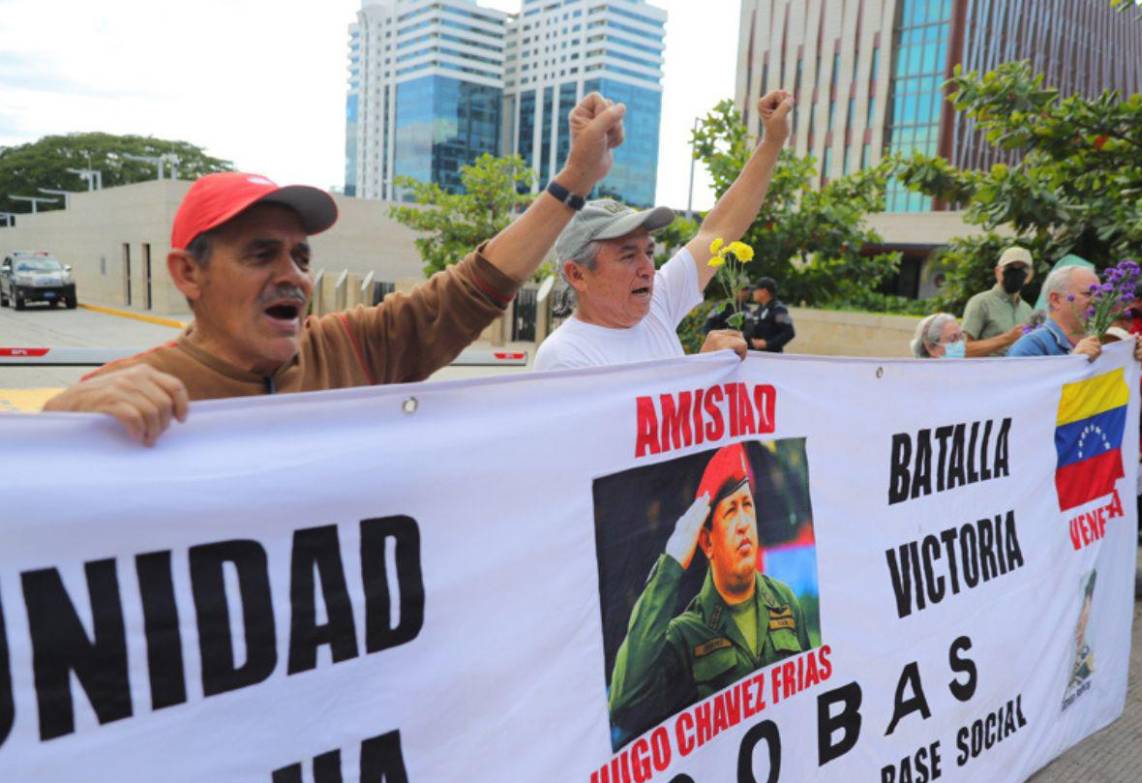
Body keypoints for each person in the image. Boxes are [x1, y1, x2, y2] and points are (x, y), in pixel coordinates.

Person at [42, 93, 629, 445]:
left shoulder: (352, 349)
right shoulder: (129, 393)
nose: (292, 275)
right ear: (187, 274)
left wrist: (575, 180)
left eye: (301, 256)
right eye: (260, 253)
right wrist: (62, 426)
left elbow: (472, 290)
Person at [531, 90, 795, 371]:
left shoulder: (658, 302)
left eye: (649, 251)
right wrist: (700, 371)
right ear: (577, 274)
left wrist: (773, 141)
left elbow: (720, 229)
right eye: (628, 255)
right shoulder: (564, 357)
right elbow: (642, 416)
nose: (647, 268)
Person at [607, 444, 817, 740]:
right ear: (706, 542)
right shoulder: (686, 633)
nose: (744, 523)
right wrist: (672, 563)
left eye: (748, 506)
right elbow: (626, 703)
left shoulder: (784, 604)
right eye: (731, 511)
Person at [1009, 264, 1142, 367]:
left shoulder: (1104, 342)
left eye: (1099, 294)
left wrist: (1132, 359)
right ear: (1056, 300)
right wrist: (1074, 363)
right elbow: (1021, 398)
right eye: (1088, 294)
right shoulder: (1031, 347)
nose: (1097, 301)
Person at [961, 246, 1036, 357]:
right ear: (997, 271)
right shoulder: (981, 303)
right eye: (1009, 267)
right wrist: (1007, 339)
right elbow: (962, 351)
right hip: (987, 373)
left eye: (1022, 269)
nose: (1015, 272)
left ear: (1029, 276)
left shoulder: (1027, 310)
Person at [743, 276, 795, 352]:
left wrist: (768, 344)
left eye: (755, 290)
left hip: (771, 357)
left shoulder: (779, 310)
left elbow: (789, 332)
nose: (753, 293)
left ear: (764, 291)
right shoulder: (760, 309)